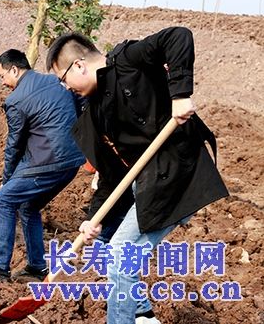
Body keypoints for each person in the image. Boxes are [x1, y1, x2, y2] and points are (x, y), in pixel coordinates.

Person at [46, 27, 228, 324]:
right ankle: (141, 312)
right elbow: (110, 174)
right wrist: (93, 218)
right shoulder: (95, 111)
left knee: (120, 257)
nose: (65, 88)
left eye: (63, 79)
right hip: (142, 181)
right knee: (105, 245)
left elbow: (178, 36)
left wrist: (181, 94)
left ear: (78, 65)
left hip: (172, 175)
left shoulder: (128, 61)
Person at [0, 49, 85, 280]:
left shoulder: (15, 100)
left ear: (14, 69)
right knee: (28, 208)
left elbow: (15, 145)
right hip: (72, 161)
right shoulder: (56, 81)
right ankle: (37, 267)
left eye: (2, 76)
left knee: (4, 201)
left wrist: (7, 180)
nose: (2, 82)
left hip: (49, 161)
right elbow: (80, 103)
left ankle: (0, 264)